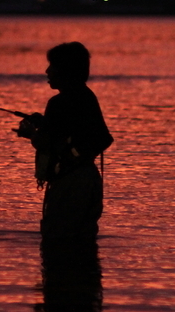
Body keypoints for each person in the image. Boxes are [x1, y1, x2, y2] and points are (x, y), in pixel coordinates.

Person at [17, 42, 113, 241]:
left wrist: (31, 133)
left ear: (64, 70)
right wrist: (45, 122)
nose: (47, 71)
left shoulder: (58, 102)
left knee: (57, 240)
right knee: (83, 242)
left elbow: (44, 142)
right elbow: (91, 133)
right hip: (90, 181)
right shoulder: (86, 96)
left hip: (69, 184)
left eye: (52, 66)